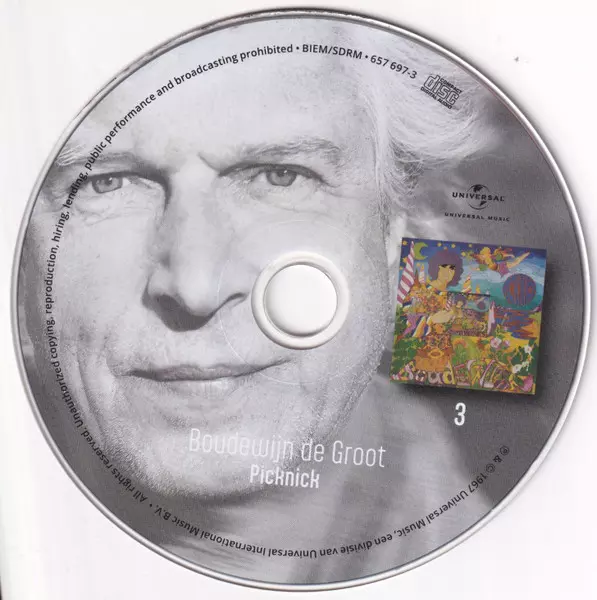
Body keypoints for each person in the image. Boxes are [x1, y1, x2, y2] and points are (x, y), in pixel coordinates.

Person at [18, 17, 512, 585]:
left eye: (281, 176)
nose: (195, 287)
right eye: (107, 183)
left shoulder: (491, 390)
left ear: (395, 227)